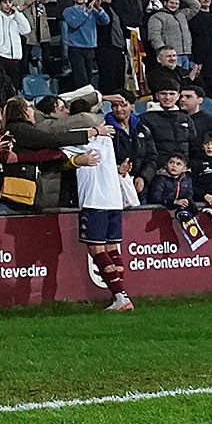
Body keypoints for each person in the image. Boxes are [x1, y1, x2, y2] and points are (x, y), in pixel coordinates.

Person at [70, 116, 137, 312]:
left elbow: (58, 152)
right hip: (113, 199)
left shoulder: (78, 138)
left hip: (94, 200)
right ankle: (121, 296)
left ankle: (120, 297)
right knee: (112, 248)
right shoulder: (107, 137)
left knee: (97, 250)